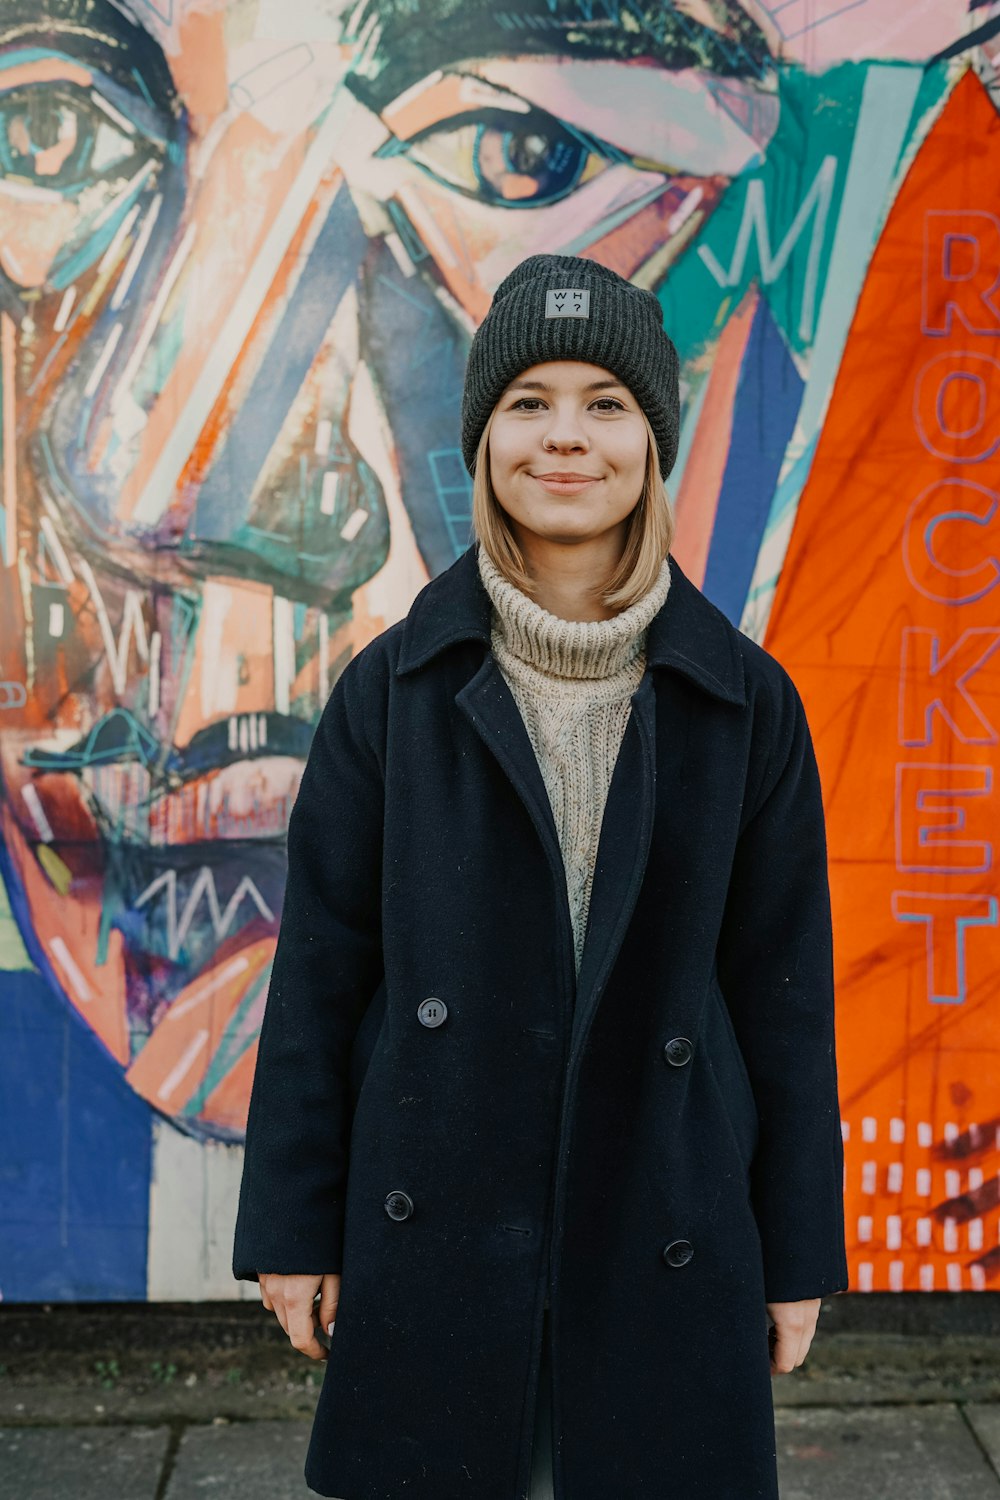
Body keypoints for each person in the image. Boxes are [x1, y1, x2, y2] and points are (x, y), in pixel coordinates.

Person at [232, 253, 848, 1500]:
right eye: (528, 401)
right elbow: (321, 975)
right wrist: (292, 1229)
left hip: (668, 1213)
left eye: (605, 403)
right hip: (440, 1212)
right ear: (483, 437)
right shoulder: (391, 691)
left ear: (650, 442)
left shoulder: (746, 703)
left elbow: (783, 999)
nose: (565, 437)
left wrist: (795, 1256)